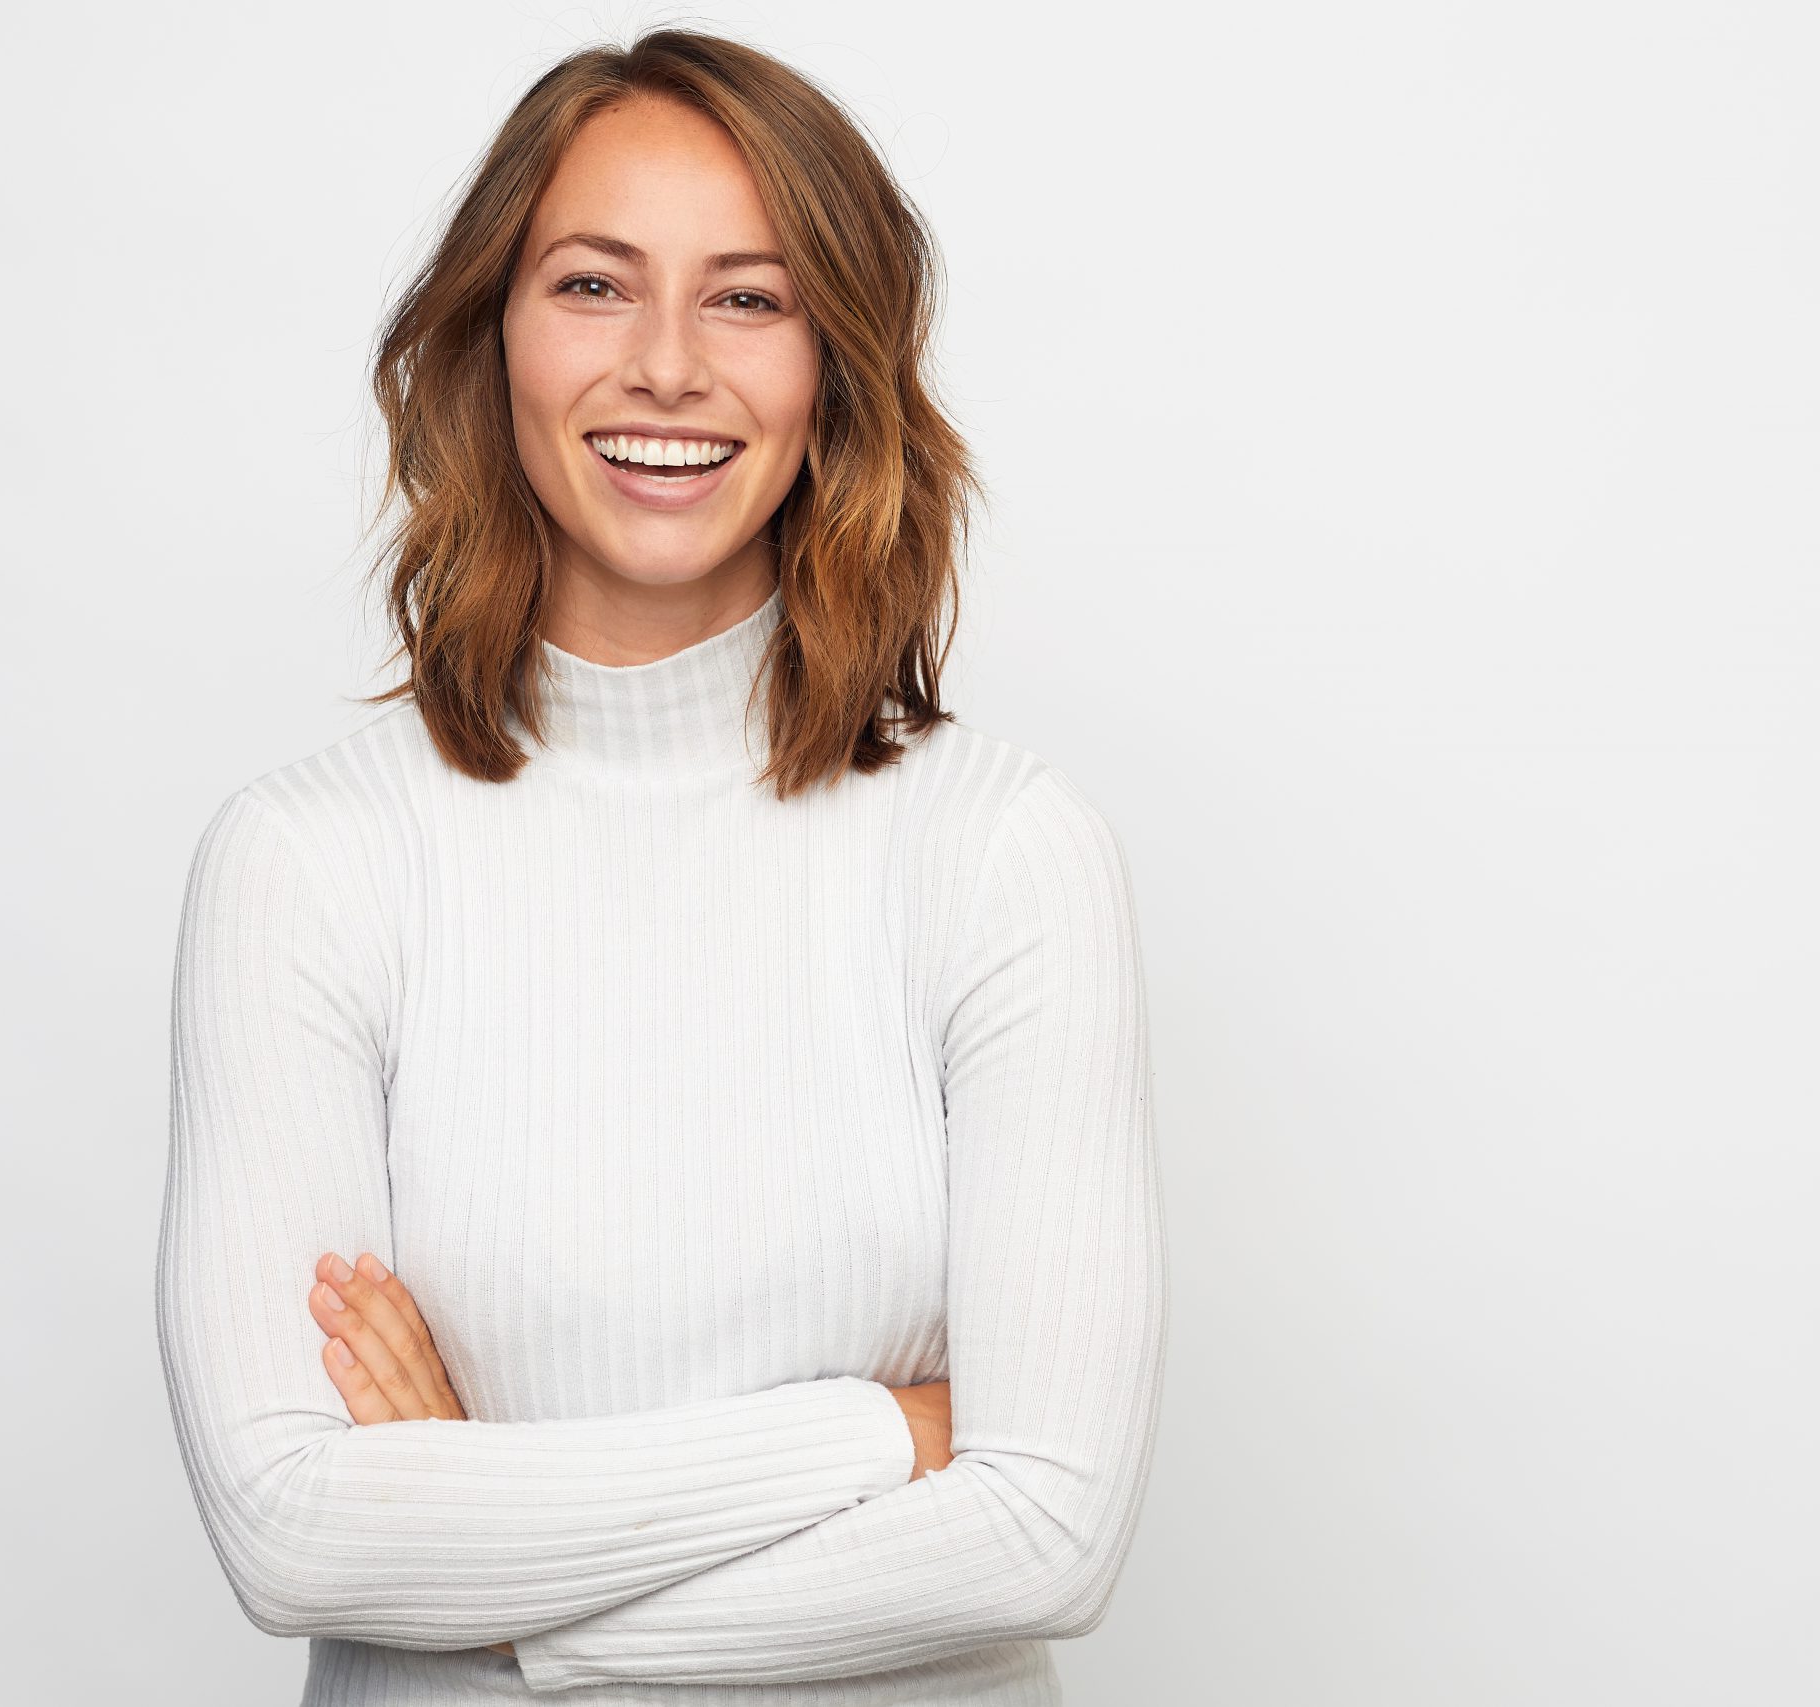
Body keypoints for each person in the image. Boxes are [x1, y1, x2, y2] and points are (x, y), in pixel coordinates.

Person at [151, 28, 1167, 1704]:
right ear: (494, 341)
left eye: (750, 298)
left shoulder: (1001, 852)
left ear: (834, 365)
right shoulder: (309, 863)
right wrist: (882, 1436)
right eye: (595, 286)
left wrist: (492, 1584)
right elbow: (295, 1531)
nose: (669, 368)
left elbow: (1048, 1530)